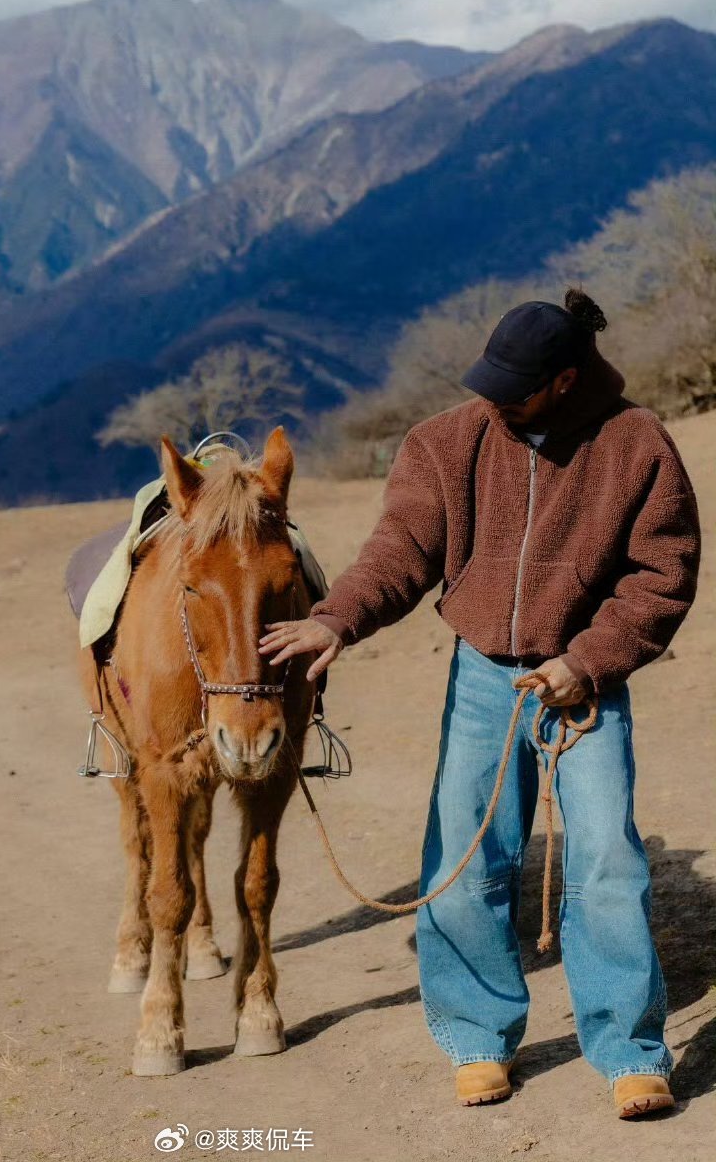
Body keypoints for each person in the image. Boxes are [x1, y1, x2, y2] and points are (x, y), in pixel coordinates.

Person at [258, 290, 701, 1118]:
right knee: (463, 860)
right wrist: (334, 622)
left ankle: (630, 1049)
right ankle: (476, 1035)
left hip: (582, 683)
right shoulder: (445, 444)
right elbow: (401, 550)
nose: (492, 401)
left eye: (514, 388)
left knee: (606, 861)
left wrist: (588, 660)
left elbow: (663, 573)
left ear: (565, 381)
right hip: (482, 676)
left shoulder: (636, 445)